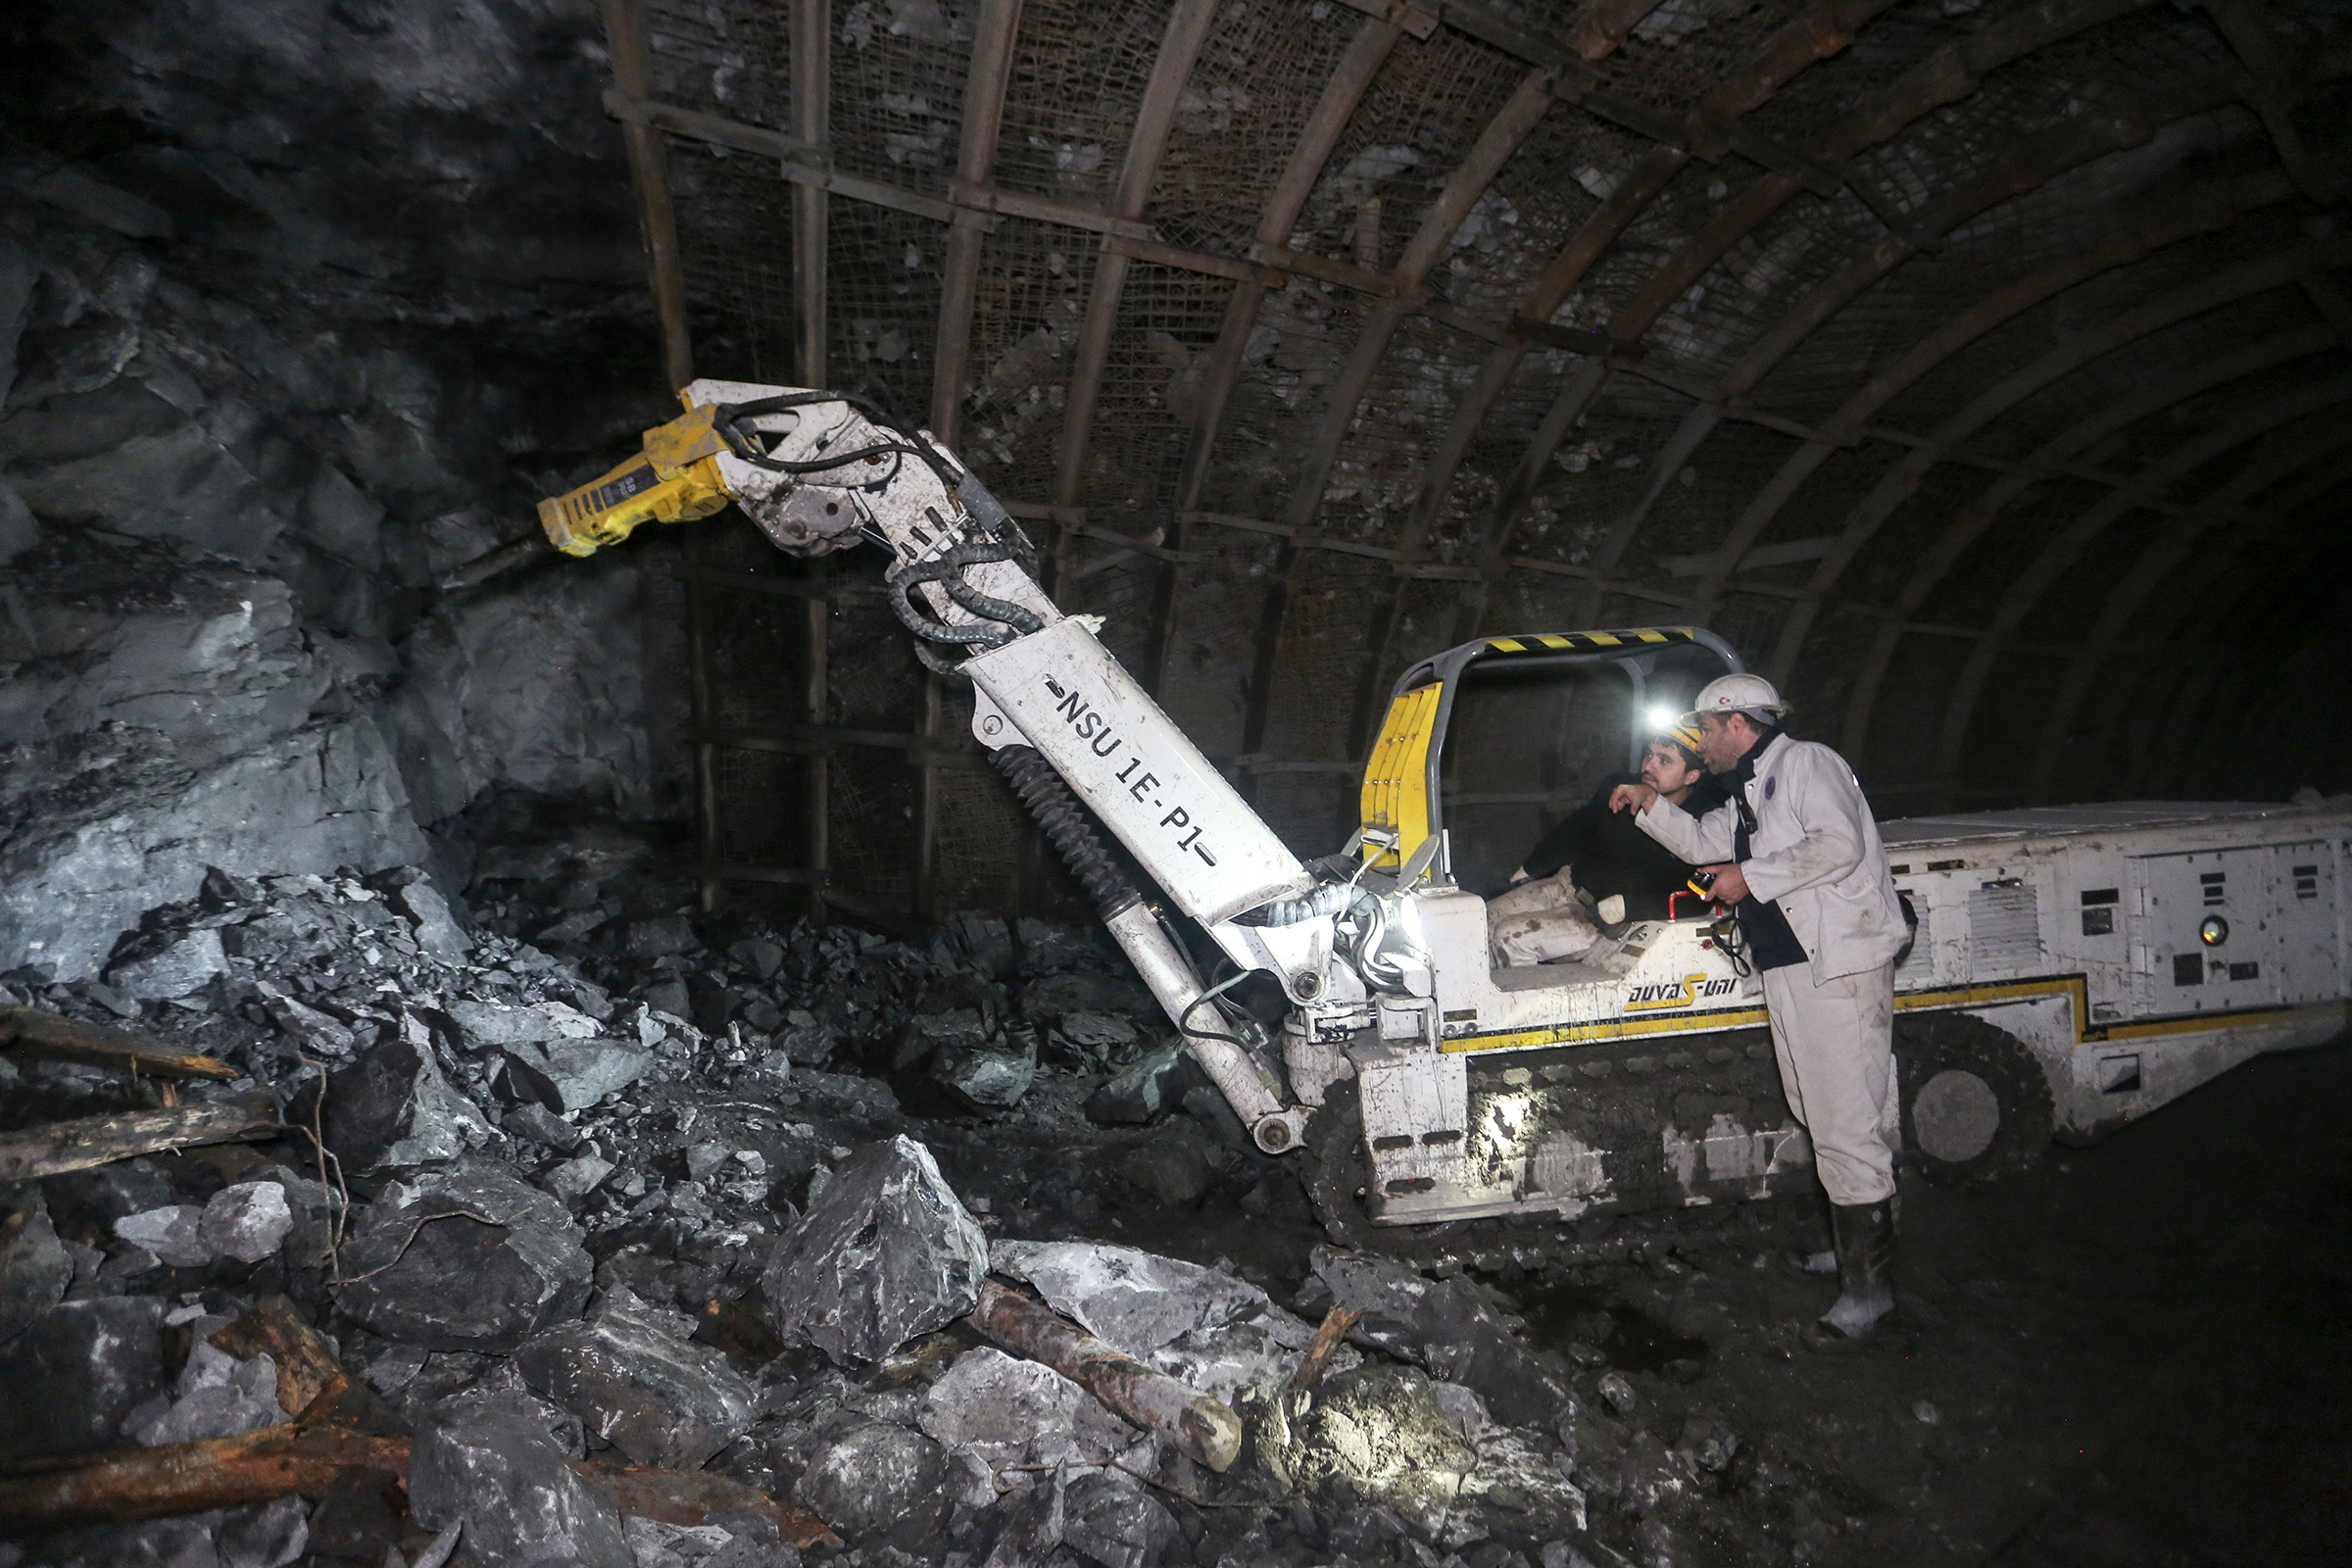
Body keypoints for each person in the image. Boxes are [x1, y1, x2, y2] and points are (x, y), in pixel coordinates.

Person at [1608, 673, 1908, 1343]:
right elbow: (1700, 844)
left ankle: (1871, 1294)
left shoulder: (1807, 764)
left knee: (1843, 1121)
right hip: (1792, 968)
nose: (1700, 743)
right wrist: (1650, 804)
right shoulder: (1748, 792)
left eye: (1705, 730)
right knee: (1815, 1109)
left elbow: (1840, 844)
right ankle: (1851, 1250)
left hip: (1838, 967)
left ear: (1737, 723)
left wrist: (1751, 876)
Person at [1487, 724, 1726, 967]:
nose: (1648, 766)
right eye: (1648, 754)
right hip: (1569, 885)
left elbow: (1699, 897)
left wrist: (1627, 907)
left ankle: (1529, 993)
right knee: (1481, 921)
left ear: (1691, 776)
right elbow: (1577, 828)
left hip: (1606, 922)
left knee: (1510, 938)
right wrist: (1530, 868)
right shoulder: (1622, 787)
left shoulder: (1704, 824)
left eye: (1664, 761)